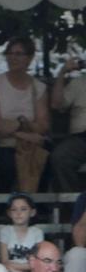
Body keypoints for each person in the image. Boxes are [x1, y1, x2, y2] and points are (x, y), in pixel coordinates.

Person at [0, 36, 50, 193]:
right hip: (3, 143)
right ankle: (2, 211)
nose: (13, 58)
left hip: (32, 144)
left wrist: (15, 125)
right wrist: (25, 127)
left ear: (29, 58)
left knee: (47, 158)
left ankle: (38, 209)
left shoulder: (38, 87)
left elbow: (43, 126)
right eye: (10, 53)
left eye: (19, 54)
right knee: (6, 163)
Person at [50, 55, 86, 192]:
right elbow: (56, 104)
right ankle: (74, 206)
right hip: (81, 139)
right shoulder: (78, 83)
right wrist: (63, 72)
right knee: (60, 157)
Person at [0, 192, 44, 272]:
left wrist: (18, 267)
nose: (18, 213)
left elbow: (38, 262)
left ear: (32, 212)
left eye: (23, 209)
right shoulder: (5, 231)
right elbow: (5, 262)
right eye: (14, 210)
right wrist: (24, 268)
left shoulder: (37, 232)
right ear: (9, 213)